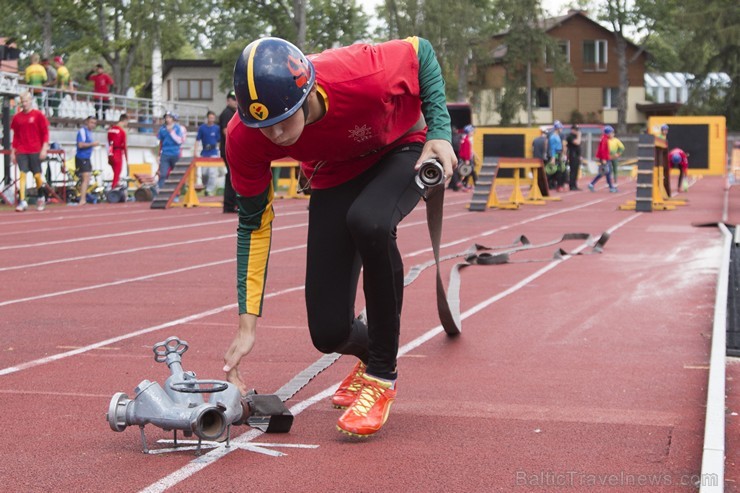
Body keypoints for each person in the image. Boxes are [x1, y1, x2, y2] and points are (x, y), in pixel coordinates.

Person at [222, 36, 456, 438]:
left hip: (400, 147)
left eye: (284, 119)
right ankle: (367, 355)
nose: (276, 135)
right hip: (334, 170)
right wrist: (247, 325)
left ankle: (382, 377)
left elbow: (422, 51)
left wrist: (441, 129)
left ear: (308, 89)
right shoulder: (244, 136)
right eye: (264, 125)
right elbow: (253, 225)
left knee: (370, 221)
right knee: (329, 333)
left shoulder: (362, 72)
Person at [11, 91, 50, 211]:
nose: (25, 104)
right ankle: (22, 201)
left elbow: (45, 133)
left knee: (37, 175)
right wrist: (13, 151)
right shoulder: (17, 117)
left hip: (35, 149)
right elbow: (16, 136)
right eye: (22, 102)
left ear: (30, 101)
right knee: (22, 174)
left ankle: (40, 196)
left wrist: (44, 148)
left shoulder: (38, 115)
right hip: (22, 150)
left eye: (26, 101)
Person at [219, 90, 238, 213]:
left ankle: (231, 204)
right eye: (233, 99)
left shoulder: (234, 112)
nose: (236, 101)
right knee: (232, 176)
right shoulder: (227, 113)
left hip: (231, 149)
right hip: (229, 149)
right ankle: (229, 205)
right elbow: (226, 132)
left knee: (232, 175)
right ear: (228, 100)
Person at [74, 115, 100, 205]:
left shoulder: (89, 132)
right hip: (82, 157)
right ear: (87, 122)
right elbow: (80, 145)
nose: (93, 125)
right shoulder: (83, 131)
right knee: (85, 178)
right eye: (91, 122)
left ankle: (83, 197)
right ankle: (82, 199)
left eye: (94, 123)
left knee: (87, 178)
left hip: (87, 158)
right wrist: (92, 144)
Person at [156, 111, 185, 190]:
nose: (167, 119)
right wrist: (158, 155)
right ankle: (160, 191)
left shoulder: (177, 128)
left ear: (173, 119)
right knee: (163, 174)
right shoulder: (162, 129)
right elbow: (159, 142)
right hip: (165, 154)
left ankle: (176, 193)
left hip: (175, 153)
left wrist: (171, 132)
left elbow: (179, 141)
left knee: (175, 175)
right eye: (166, 117)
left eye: (169, 117)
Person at [195, 111, 221, 196]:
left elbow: (219, 141)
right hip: (205, 152)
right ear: (207, 118)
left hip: (213, 152)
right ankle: (205, 186)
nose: (211, 119)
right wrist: (195, 151)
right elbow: (197, 139)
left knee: (212, 172)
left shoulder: (217, 128)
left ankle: (210, 190)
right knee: (204, 173)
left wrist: (219, 151)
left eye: (213, 118)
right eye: (210, 118)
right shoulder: (202, 128)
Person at [588, 125, 617, 193]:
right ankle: (592, 184)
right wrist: (604, 159)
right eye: (612, 133)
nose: (613, 134)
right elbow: (603, 150)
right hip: (605, 159)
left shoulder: (604, 138)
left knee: (606, 172)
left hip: (606, 158)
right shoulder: (604, 139)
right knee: (604, 172)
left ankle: (610, 187)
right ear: (608, 133)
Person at [107, 114, 129, 189]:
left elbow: (108, 143)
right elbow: (124, 146)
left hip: (110, 152)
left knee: (115, 173)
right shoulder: (122, 131)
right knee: (117, 174)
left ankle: (116, 187)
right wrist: (126, 158)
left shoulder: (110, 130)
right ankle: (113, 190)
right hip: (118, 152)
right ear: (125, 121)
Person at [546, 120, 565, 192]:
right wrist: (553, 157)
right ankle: (551, 184)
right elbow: (552, 148)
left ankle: (559, 185)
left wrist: (562, 154)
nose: (561, 129)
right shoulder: (553, 137)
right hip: (556, 153)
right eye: (560, 128)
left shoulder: (557, 136)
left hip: (559, 153)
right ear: (557, 128)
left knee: (559, 170)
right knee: (555, 170)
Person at [532, 127, 550, 197]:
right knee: (544, 174)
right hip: (542, 159)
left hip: (535, 159)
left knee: (536, 174)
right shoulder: (546, 140)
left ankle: (534, 185)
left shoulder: (535, 140)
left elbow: (532, 149)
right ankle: (544, 187)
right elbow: (546, 150)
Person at [457, 124, 477, 191]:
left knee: (468, 172)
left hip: (465, 158)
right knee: (470, 171)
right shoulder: (466, 140)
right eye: (471, 131)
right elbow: (466, 151)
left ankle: (464, 183)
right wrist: (467, 159)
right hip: (466, 159)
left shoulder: (464, 139)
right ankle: (464, 183)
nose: (472, 132)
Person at [565, 124, 582, 191]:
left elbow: (578, 147)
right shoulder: (570, 136)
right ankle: (572, 185)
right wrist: (579, 135)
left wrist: (580, 155)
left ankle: (574, 185)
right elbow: (577, 143)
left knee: (576, 171)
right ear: (572, 130)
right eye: (575, 130)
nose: (577, 131)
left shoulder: (575, 136)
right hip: (572, 155)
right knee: (573, 171)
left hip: (577, 155)